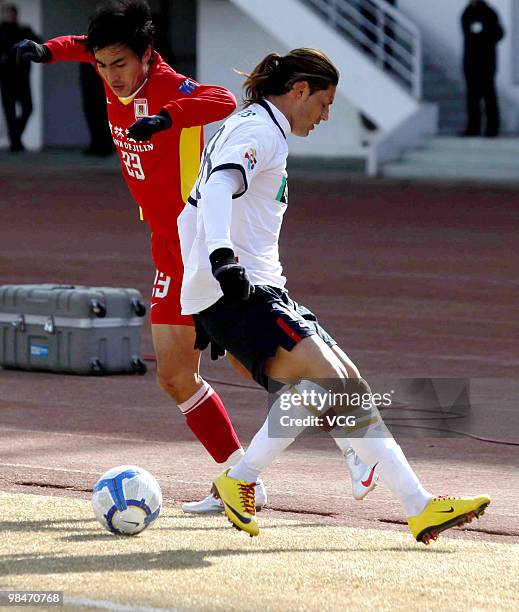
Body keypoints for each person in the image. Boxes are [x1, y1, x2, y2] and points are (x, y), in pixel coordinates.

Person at [13, 0, 376, 515]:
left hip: (197, 247)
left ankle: (350, 448)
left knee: (263, 367)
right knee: (178, 375)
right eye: (102, 65)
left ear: (146, 56)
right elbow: (80, 48)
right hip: (165, 246)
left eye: (120, 64)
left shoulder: (168, 86)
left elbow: (222, 99)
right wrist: (45, 51)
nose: (111, 76)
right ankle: (238, 475)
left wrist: (165, 119)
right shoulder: (109, 69)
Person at [178, 47, 491, 542]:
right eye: (324, 103)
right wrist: (220, 262)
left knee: (342, 386)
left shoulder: (261, 127)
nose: (326, 115)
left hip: (255, 289)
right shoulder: (258, 130)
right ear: (299, 90)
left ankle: (259, 478)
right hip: (240, 290)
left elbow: (192, 208)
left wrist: (204, 283)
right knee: (338, 389)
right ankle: (403, 497)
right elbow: (215, 191)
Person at [0, 2, 40, 151]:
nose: (10, 16)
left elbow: (39, 42)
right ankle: (15, 143)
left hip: (22, 77)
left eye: (12, 13)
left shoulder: (24, 30)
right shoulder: (1, 31)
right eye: (7, 13)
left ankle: (15, 138)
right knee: (10, 112)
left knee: (28, 108)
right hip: (6, 78)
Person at [461, 0, 504, 137]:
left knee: (488, 96)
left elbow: (499, 33)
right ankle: (473, 128)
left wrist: (484, 34)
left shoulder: (490, 13)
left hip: (486, 62)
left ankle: (492, 128)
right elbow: (466, 35)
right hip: (470, 62)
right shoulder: (466, 12)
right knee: (472, 97)